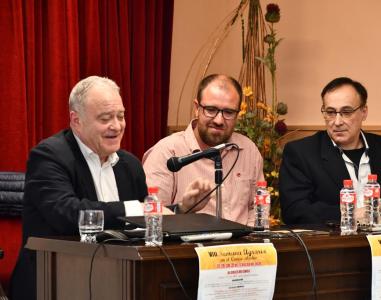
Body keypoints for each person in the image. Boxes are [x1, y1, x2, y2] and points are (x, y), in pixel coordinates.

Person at [9, 76, 212, 300]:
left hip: (118, 281)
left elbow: (142, 225)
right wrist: (137, 210)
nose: (116, 126)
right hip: (53, 282)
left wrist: (180, 209)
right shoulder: (49, 157)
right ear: (76, 120)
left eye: (121, 116)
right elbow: (68, 213)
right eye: (105, 118)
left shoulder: (129, 164)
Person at [279, 77, 381, 225]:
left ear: (364, 112)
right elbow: (295, 211)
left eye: (346, 112)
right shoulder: (301, 153)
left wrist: (376, 213)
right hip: (333, 245)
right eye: (330, 112)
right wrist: (352, 214)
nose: (337, 121)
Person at [143, 74, 264, 225]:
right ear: (196, 108)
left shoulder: (248, 150)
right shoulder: (167, 152)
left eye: (228, 112)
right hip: (188, 247)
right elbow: (152, 216)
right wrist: (182, 208)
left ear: (237, 114)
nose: (219, 120)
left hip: (243, 247)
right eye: (211, 109)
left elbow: (257, 209)